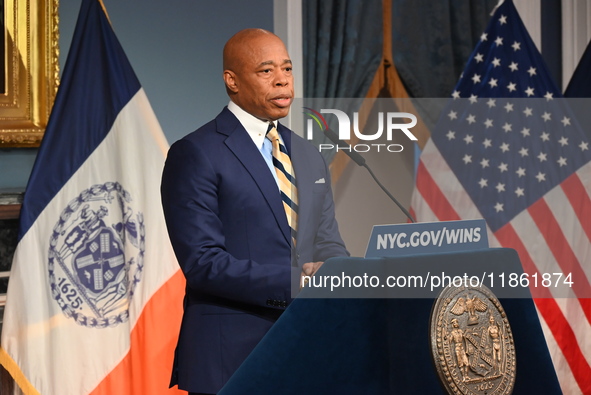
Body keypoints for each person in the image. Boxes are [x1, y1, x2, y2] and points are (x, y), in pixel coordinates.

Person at [161, 28, 349, 395]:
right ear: (232, 81)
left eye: (287, 69)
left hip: (309, 349)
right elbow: (203, 263)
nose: (282, 80)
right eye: (266, 71)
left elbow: (327, 242)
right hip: (233, 359)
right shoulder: (196, 153)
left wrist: (338, 271)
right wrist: (298, 283)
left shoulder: (308, 154)